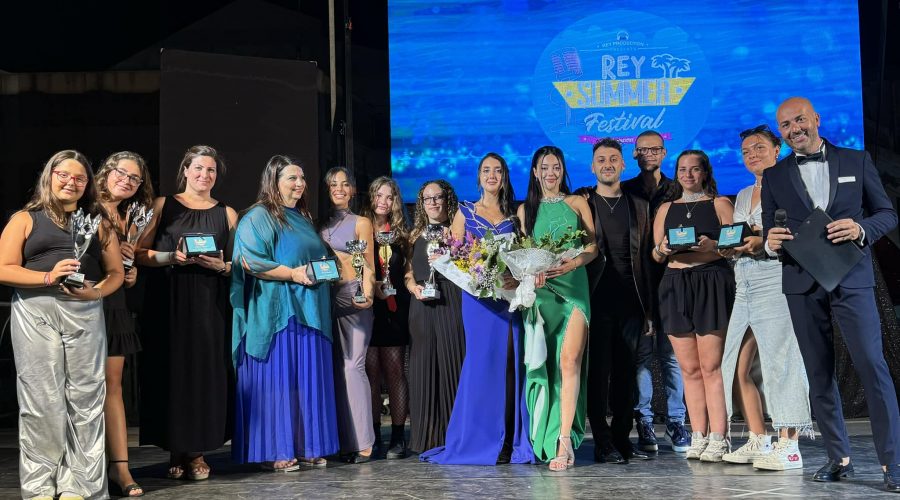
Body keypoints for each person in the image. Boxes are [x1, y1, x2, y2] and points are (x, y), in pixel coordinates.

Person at [763, 97, 900, 491]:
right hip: (801, 283)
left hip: (852, 278)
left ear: (816, 119)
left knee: (872, 365)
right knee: (818, 373)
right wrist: (770, 242)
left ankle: (892, 462)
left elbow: (887, 214)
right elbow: (773, 231)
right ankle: (838, 457)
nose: (793, 129)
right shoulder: (774, 176)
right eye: (785, 125)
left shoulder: (856, 161)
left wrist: (861, 231)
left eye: (799, 120)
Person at [0, 150, 124, 500]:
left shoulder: (97, 221)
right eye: (64, 175)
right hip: (36, 310)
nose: (71, 182)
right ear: (50, 176)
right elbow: (3, 267)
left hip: (84, 313)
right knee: (42, 399)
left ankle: (80, 487)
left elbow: (115, 273)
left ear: (87, 185)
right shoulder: (26, 218)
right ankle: (41, 487)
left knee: (86, 398)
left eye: (80, 178)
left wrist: (95, 294)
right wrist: (47, 276)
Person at [421, 153, 536, 465]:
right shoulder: (465, 210)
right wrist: (466, 264)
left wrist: (517, 275)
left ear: (505, 176)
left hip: (508, 301)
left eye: (498, 170)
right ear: (478, 176)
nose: (492, 175)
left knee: (510, 365)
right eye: (486, 170)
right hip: (477, 301)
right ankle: (480, 440)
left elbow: (525, 256)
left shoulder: (515, 215)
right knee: (482, 364)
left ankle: (509, 441)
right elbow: (453, 253)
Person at [231, 155, 339, 471]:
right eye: (292, 178)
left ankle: (308, 444)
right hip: (278, 312)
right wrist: (292, 274)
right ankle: (273, 449)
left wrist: (329, 269)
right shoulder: (258, 216)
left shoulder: (303, 218)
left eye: (302, 178)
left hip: (311, 312)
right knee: (277, 382)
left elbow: (321, 262)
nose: (300, 183)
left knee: (306, 381)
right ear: (274, 182)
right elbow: (250, 260)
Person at [135, 145, 237, 481]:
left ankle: (197, 452)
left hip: (210, 304)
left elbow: (238, 264)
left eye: (211, 170)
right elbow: (138, 253)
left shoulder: (228, 213)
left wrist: (222, 266)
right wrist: (169, 258)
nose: (204, 175)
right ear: (186, 169)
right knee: (172, 373)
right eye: (199, 168)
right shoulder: (163, 206)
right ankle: (175, 448)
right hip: (169, 302)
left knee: (203, 376)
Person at [719, 126, 813, 470]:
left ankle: (790, 445)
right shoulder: (743, 194)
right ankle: (760, 439)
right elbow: (740, 235)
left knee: (781, 362)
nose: (751, 155)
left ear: (777, 149)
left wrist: (764, 245)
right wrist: (729, 248)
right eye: (745, 151)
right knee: (737, 366)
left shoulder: (790, 183)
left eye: (759, 147)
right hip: (743, 283)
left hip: (776, 280)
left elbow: (800, 231)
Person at [516, 146, 598, 471]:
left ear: (563, 171)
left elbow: (592, 246)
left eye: (557, 167)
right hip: (542, 294)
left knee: (569, 361)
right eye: (545, 167)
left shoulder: (577, 202)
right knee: (546, 365)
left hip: (574, 287)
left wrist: (573, 262)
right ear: (535, 172)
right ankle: (543, 433)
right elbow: (523, 256)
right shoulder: (526, 210)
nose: (551, 173)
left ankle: (564, 441)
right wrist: (528, 272)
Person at [652, 149, 735, 462]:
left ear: (705, 172)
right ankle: (698, 434)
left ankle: (719, 436)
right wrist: (662, 248)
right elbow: (656, 255)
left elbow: (734, 247)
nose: (688, 175)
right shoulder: (665, 208)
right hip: (674, 285)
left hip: (711, 282)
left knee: (711, 367)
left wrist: (713, 246)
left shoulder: (720, 204)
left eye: (694, 169)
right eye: (682, 169)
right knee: (688, 369)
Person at [581, 138, 656, 463]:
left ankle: (623, 438)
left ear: (624, 164)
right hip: (595, 301)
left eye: (614, 158)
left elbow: (648, 264)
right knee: (598, 374)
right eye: (601, 159)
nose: (608, 164)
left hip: (631, 303)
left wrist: (649, 310)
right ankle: (602, 441)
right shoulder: (583, 203)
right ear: (593, 166)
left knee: (627, 375)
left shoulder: (639, 205)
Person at [621, 131, 689, 453]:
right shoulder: (625, 190)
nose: (649, 154)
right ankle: (644, 422)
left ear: (664, 153)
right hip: (636, 282)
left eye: (655, 149)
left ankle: (676, 421)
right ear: (634, 155)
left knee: (672, 357)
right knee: (644, 358)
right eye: (642, 149)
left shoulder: (677, 189)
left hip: (675, 280)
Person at [96, 151, 155, 497]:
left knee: (113, 387)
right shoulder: (84, 207)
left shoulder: (129, 218)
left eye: (135, 179)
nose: (127, 181)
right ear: (106, 172)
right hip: (81, 302)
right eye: (122, 173)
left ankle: (120, 468)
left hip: (114, 306)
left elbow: (124, 271)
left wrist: (129, 273)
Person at [319, 166, 376, 464]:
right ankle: (343, 440)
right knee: (334, 371)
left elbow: (367, 262)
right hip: (324, 300)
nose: (339, 189)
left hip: (354, 298)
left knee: (353, 367)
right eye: (333, 185)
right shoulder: (317, 224)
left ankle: (364, 442)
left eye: (345, 184)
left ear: (353, 189)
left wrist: (366, 292)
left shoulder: (361, 222)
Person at [404, 180, 466, 453]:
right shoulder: (413, 234)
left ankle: (456, 437)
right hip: (421, 305)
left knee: (453, 365)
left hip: (451, 303)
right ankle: (426, 439)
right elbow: (406, 271)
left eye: (438, 197)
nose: (433, 203)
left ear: (447, 199)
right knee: (423, 369)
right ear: (421, 202)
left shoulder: (457, 231)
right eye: (427, 198)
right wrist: (411, 286)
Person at [361, 176, 411, 459]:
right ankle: (373, 435)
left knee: (394, 371)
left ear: (395, 202)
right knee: (370, 372)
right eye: (379, 195)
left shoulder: (402, 234)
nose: (383, 201)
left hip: (394, 308)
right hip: (367, 306)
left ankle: (398, 437)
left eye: (389, 197)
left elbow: (406, 272)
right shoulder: (361, 228)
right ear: (371, 197)